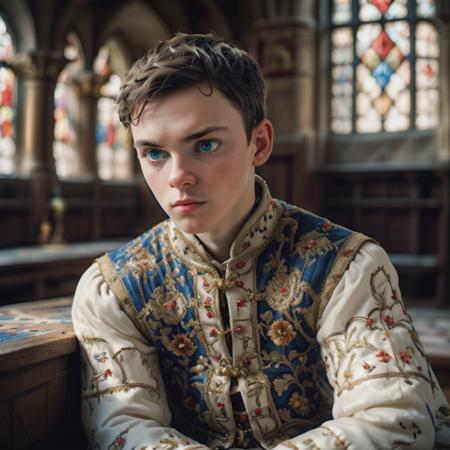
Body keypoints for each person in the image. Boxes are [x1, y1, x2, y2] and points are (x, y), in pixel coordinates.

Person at [72, 33, 450, 450]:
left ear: (260, 143)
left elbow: (395, 421)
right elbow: (124, 428)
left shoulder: (347, 267)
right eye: (155, 154)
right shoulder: (113, 289)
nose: (177, 176)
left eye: (206, 144)